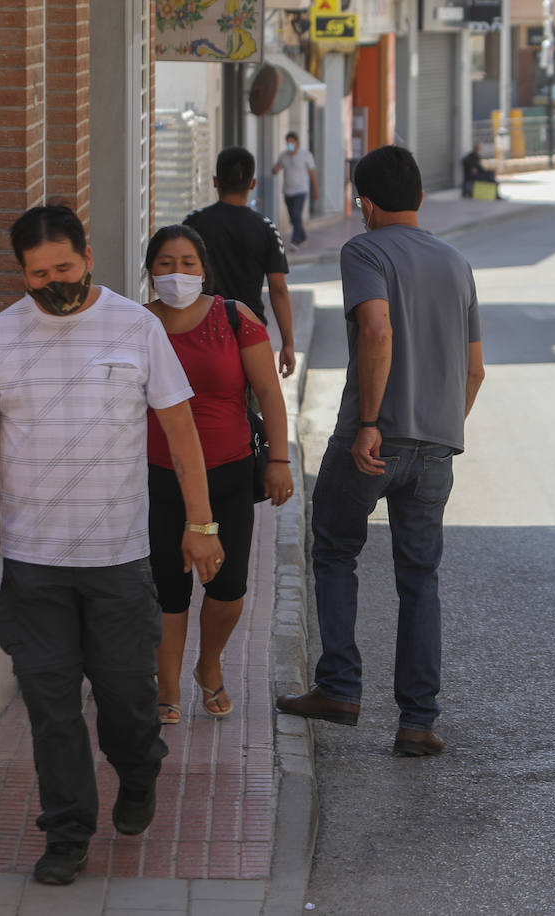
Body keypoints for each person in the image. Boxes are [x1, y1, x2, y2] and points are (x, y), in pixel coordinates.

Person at [0, 205, 223, 887]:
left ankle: (139, 772)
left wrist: (201, 524)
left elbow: (179, 428)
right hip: (34, 562)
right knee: (51, 709)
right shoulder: (2, 336)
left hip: (117, 559)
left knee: (127, 704)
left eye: (64, 268)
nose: (54, 283)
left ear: (89, 256)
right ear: (22, 274)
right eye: (39, 274)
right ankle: (67, 832)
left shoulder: (135, 328)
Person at [275, 146, 486, 758]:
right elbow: (474, 372)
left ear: (365, 203)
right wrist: (438, 431)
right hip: (436, 446)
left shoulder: (363, 251)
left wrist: (370, 421)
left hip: (372, 439)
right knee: (420, 580)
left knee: (336, 550)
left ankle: (339, 687)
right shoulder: (457, 262)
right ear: (419, 195)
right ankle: (417, 721)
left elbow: (376, 329)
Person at [142, 225, 294, 724]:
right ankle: (167, 685)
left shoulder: (234, 318)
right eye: (166, 263)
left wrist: (277, 460)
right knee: (169, 589)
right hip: (159, 478)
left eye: (187, 263)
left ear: (203, 270)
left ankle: (208, 665)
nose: (177, 272)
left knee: (227, 589)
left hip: (228, 474)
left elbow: (268, 393)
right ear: (150, 271)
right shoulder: (138, 325)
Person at [185, 146, 297, 378]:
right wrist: (288, 344)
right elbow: (278, 289)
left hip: (201, 330)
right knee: (249, 407)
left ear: (216, 182)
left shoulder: (193, 225)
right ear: (252, 184)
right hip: (248, 331)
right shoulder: (266, 229)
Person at [271, 131, 318, 248]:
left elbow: (312, 174)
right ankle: (302, 236)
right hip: (287, 191)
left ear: (297, 142)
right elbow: (276, 168)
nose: (289, 144)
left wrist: (316, 190)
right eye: (288, 142)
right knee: (293, 218)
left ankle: (295, 241)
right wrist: (275, 170)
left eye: (292, 142)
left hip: (301, 191)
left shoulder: (306, 155)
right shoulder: (283, 156)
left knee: (296, 214)